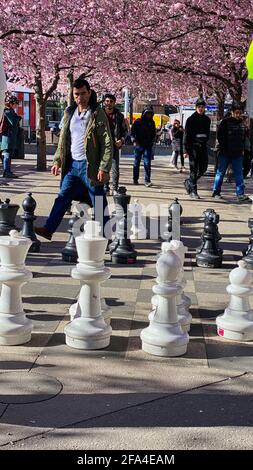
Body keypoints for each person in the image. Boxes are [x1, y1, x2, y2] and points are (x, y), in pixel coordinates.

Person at [35, 77, 113, 241]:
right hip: (72, 166)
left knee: (98, 201)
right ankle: (49, 229)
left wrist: (104, 167)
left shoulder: (97, 113)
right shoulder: (69, 112)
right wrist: (57, 161)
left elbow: (107, 142)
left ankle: (106, 236)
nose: (80, 97)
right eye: (76, 94)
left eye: (83, 93)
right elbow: (63, 139)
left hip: (89, 166)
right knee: (62, 197)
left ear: (89, 93)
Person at [212, 102, 251, 202]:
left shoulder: (242, 124)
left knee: (239, 174)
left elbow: (244, 138)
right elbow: (220, 137)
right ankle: (216, 192)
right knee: (220, 173)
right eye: (236, 113)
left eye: (240, 113)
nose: (238, 115)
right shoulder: (225, 122)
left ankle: (240, 194)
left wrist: (243, 150)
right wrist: (224, 148)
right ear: (232, 112)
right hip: (225, 153)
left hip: (237, 154)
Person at [183, 98, 211, 199]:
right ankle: (193, 191)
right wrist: (185, 150)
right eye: (199, 107)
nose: (200, 109)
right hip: (193, 148)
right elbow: (186, 135)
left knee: (203, 168)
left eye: (202, 107)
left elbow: (207, 133)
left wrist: (205, 140)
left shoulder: (207, 119)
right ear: (196, 108)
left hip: (203, 147)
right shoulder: (190, 120)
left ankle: (189, 181)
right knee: (193, 170)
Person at [103, 93, 127, 195]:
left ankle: (115, 187)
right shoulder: (99, 114)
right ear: (104, 102)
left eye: (111, 101)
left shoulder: (119, 116)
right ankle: (105, 187)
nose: (109, 103)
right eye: (107, 101)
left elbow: (125, 130)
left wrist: (121, 140)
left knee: (115, 167)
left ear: (114, 103)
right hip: (103, 145)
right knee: (104, 167)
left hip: (115, 145)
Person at [131, 105, 156, 187]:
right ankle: (135, 179)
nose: (149, 115)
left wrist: (152, 142)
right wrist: (134, 141)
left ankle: (147, 180)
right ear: (144, 113)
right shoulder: (138, 121)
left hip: (148, 146)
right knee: (136, 163)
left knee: (147, 163)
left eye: (150, 113)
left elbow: (153, 134)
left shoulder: (152, 122)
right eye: (147, 113)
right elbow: (132, 133)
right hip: (138, 145)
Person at [0, 93, 21, 178]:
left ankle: (8, 171)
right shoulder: (8, 111)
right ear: (11, 103)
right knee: (7, 154)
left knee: (8, 154)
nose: (16, 106)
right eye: (16, 104)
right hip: (8, 136)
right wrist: (19, 117)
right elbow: (13, 122)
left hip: (9, 135)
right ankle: (6, 172)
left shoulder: (10, 111)